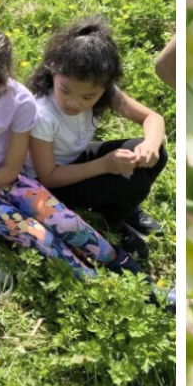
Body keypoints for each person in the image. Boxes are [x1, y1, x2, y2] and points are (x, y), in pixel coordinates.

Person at [0, 28, 137, 278]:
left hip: (10, 179)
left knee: (66, 222)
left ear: (1, 83)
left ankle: (125, 266)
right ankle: (96, 283)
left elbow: (11, 169)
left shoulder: (19, 101)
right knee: (38, 236)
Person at [26, 17, 168, 258]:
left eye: (88, 97)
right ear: (52, 70)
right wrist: (103, 165)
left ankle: (124, 206)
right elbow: (48, 177)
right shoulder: (42, 113)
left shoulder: (104, 90)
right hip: (52, 183)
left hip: (78, 157)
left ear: (104, 87)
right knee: (133, 182)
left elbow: (152, 118)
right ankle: (114, 222)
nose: (74, 103)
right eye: (65, 90)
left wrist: (151, 145)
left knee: (159, 155)